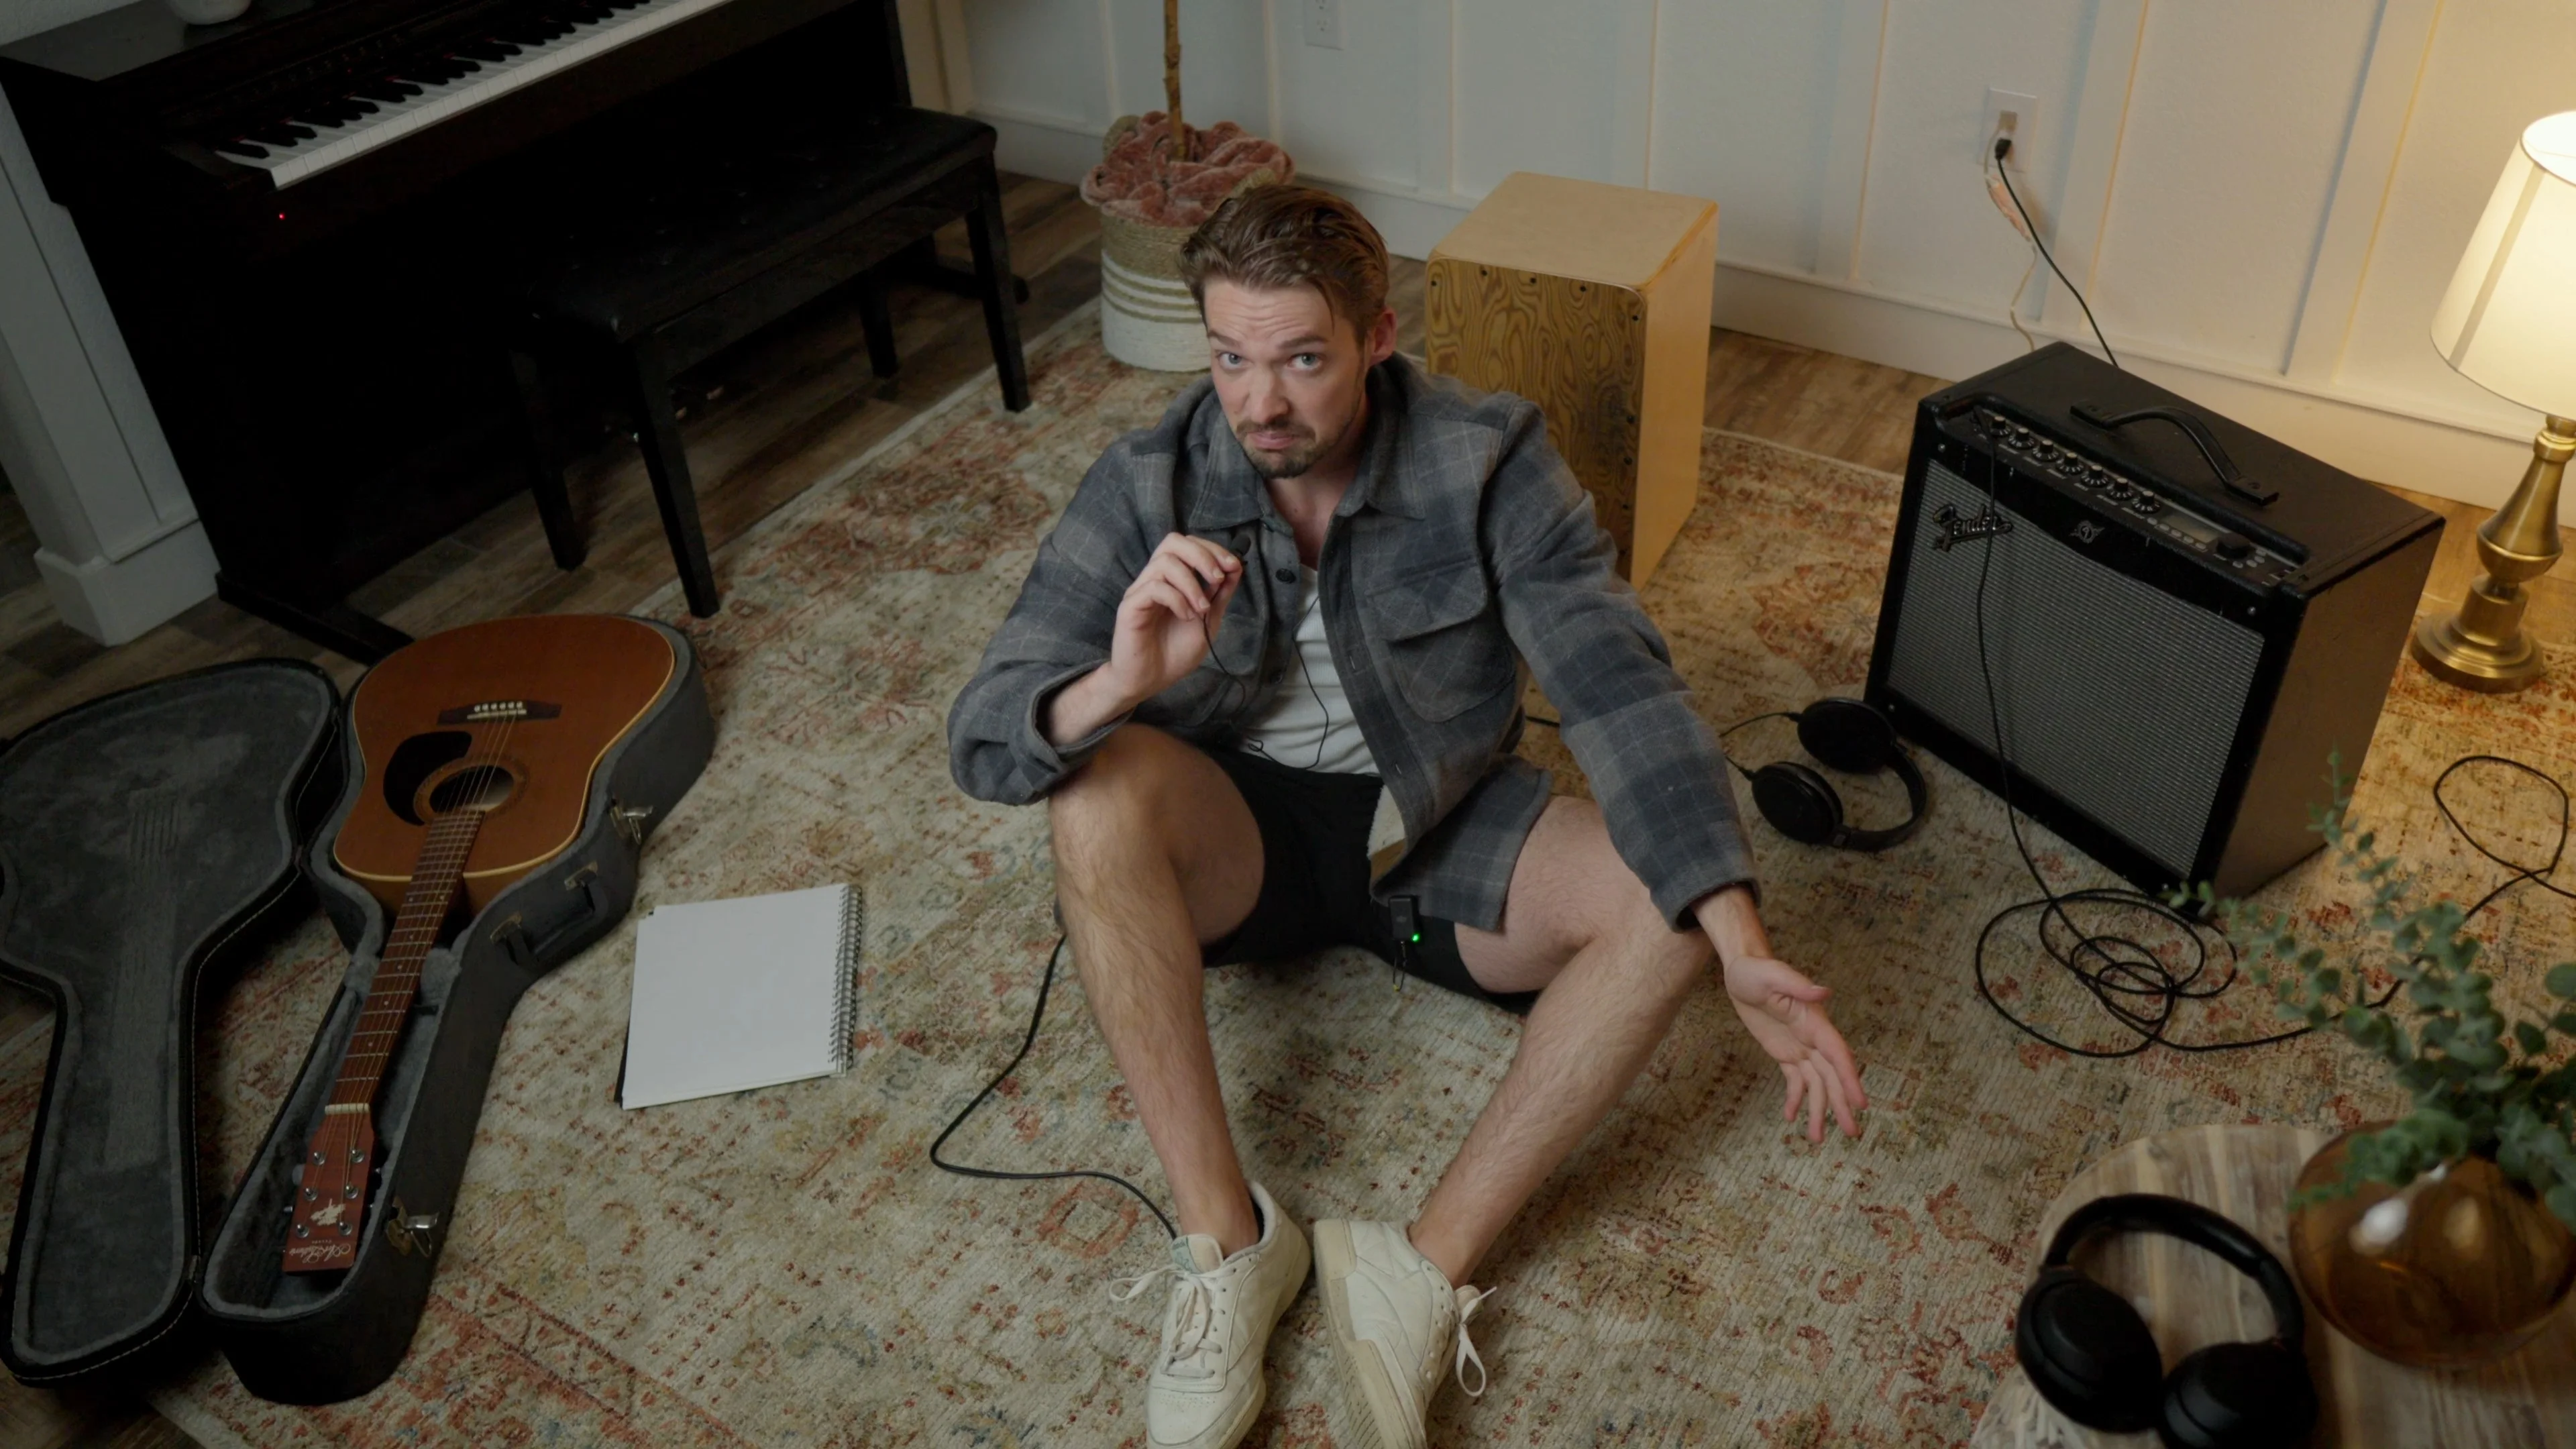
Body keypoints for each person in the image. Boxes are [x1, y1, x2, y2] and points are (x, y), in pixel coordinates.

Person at [947, 185, 1865, 1449]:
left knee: (1669, 910)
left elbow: (1616, 684)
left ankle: (1416, 1270)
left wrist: (1741, 936)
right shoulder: (1149, 475)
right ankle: (1231, 1244)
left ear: (1379, 335)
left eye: (1303, 359)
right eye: (1231, 358)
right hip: (1237, 850)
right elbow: (983, 740)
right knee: (1090, 792)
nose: (1260, 402)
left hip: (1433, 836)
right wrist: (1121, 683)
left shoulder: (1488, 453)